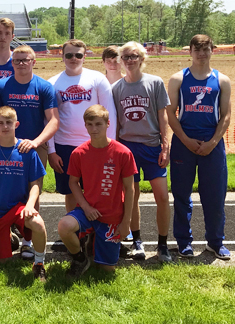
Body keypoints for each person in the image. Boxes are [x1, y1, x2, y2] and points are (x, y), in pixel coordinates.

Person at [0, 44, 59, 259]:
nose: (21, 64)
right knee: (0, 191)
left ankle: (28, 240)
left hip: (33, 149)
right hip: (4, 147)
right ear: (12, 63)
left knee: (33, 193)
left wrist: (35, 142)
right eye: (17, 60)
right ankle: (4, 233)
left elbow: (54, 121)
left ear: (33, 62)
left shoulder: (43, 87)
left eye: (25, 60)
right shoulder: (1, 85)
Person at [166, 34, 232, 260]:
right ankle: (184, 242)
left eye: (206, 49)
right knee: (182, 195)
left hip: (212, 143)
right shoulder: (178, 79)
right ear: (190, 51)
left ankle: (215, 242)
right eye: (198, 49)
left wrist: (213, 142)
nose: (202, 53)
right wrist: (185, 139)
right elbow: (170, 114)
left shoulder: (222, 80)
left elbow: (226, 116)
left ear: (213, 50)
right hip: (184, 142)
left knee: (214, 196)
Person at [57, 105, 136, 277]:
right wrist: (86, 207)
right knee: (64, 226)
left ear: (108, 124)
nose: (94, 129)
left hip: (112, 215)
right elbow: (73, 183)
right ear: (85, 125)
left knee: (106, 271)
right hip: (88, 211)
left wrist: (126, 222)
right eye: (90, 124)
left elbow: (130, 189)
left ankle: (93, 241)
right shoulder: (79, 153)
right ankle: (79, 259)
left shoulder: (123, 153)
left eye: (98, 124)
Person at [112, 42, 171, 262]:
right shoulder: (116, 88)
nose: (129, 60)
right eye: (125, 56)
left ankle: (163, 244)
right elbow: (116, 122)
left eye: (134, 56)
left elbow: (162, 115)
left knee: (162, 197)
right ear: (121, 60)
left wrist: (165, 144)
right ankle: (137, 241)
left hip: (152, 146)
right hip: (128, 147)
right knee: (131, 197)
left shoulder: (154, 83)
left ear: (142, 57)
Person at [0, 106, 48, 282]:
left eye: (9, 123)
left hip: (19, 208)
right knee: (2, 262)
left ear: (16, 124)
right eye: (1, 123)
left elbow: (36, 184)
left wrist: (30, 205)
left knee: (37, 223)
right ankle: (10, 237)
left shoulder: (26, 150)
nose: (5, 126)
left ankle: (39, 264)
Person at [47, 39, 117, 213]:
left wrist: (112, 146)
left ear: (85, 56)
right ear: (62, 57)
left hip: (95, 145)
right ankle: (74, 230)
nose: (73, 58)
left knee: (98, 190)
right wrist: (51, 151)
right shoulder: (52, 83)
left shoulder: (98, 78)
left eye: (78, 55)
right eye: (69, 55)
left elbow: (110, 114)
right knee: (70, 191)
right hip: (64, 145)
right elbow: (48, 120)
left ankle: (97, 230)